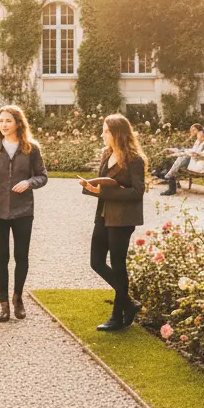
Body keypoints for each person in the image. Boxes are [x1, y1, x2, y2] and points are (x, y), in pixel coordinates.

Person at [0, 106, 49, 322]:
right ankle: (4, 305)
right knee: (2, 258)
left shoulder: (31, 148)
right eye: (1, 121)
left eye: (8, 121)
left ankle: (17, 298)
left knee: (21, 257)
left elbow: (43, 176)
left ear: (18, 123)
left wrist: (29, 182)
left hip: (23, 211)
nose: (4, 125)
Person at [79, 113, 148, 332]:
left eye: (106, 131)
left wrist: (106, 191)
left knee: (118, 266)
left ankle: (117, 317)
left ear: (118, 133)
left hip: (123, 219)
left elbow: (137, 192)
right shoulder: (106, 154)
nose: (103, 134)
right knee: (96, 262)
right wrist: (94, 190)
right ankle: (129, 303)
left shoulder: (134, 159)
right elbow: (104, 187)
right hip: (103, 216)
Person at [160, 124, 204, 196]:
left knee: (182, 158)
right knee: (171, 160)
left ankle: (168, 178)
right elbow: (191, 151)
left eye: (200, 135)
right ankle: (170, 181)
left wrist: (195, 153)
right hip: (193, 162)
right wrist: (177, 153)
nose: (198, 136)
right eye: (198, 135)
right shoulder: (198, 142)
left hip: (200, 165)